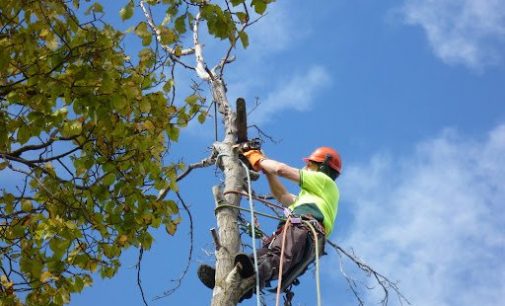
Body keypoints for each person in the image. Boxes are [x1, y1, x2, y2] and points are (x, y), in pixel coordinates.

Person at [198, 146, 341, 299]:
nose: (306, 167)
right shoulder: (309, 198)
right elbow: (281, 194)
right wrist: (264, 168)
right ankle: (229, 279)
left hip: (304, 229)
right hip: (294, 231)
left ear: (323, 166)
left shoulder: (325, 182)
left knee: (276, 257)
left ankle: (251, 280)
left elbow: (280, 169)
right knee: (259, 256)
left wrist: (258, 159)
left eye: (310, 164)